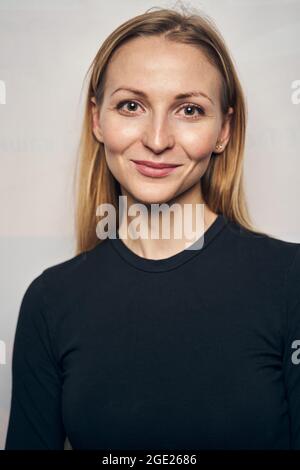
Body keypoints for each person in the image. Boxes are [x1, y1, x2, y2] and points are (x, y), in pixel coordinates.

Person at [5, 6, 300, 450]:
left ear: (224, 130)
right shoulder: (50, 302)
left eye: (189, 110)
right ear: (96, 119)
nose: (158, 139)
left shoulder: (290, 282)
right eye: (131, 105)